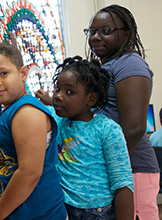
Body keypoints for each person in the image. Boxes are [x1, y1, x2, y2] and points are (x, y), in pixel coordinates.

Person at [84, 5, 160, 220]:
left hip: (132, 168)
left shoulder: (130, 64)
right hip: (113, 168)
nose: (96, 37)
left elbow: (135, 128)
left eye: (105, 31)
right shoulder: (104, 66)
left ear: (126, 33)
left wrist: (107, 167)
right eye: (91, 31)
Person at [0, 43, 67, 220]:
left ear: (23, 73)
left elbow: (30, 172)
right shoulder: (12, 110)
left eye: (4, 73)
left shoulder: (27, 112)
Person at [52, 56, 133, 220]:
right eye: (57, 89)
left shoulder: (107, 129)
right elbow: (30, 102)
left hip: (98, 213)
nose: (59, 96)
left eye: (69, 92)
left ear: (91, 98)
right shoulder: (55, 120)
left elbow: (122, 182)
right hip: (63, 208)